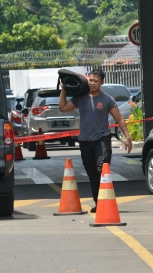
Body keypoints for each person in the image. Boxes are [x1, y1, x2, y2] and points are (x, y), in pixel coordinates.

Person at [59, 69, 132, 213]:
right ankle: (99, 202)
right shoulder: (80, 97)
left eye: (95, 81)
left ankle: (106, 201)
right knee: (92, 173)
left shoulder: (107, 99)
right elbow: (63, 108)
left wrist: (127, 136)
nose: (92, 83)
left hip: (102, 139)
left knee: (102, 169)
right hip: (85, 141)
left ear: (102, 83)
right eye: (90, 80)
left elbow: (119, 119)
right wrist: (64, 90)